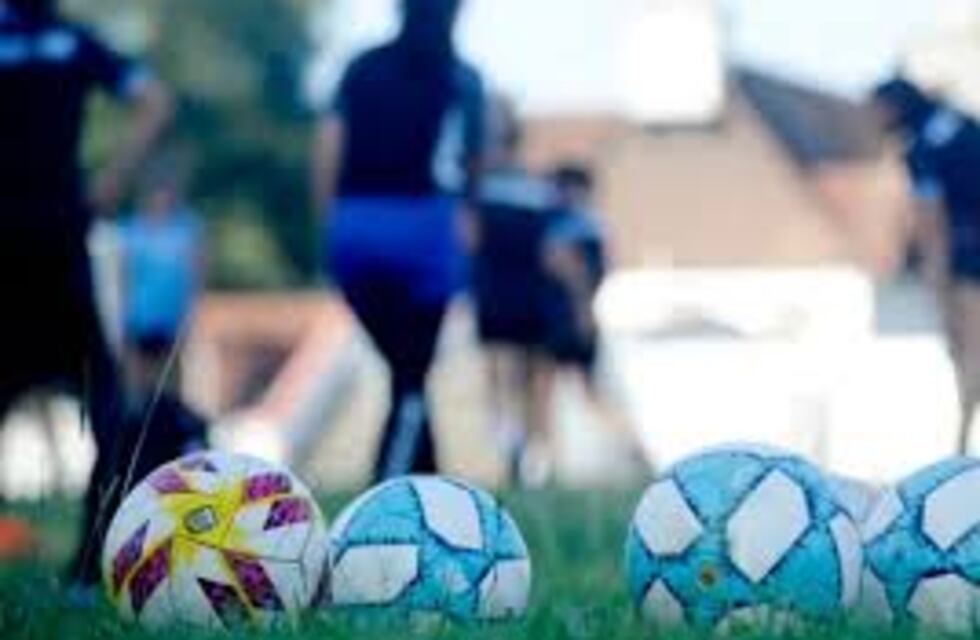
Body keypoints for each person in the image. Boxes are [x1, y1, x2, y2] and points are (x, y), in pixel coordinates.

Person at [0, 0, 170, 590]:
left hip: (34, 240)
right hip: (56, 234)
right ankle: (88, 565)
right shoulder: (73, 42)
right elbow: (154, 100)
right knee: (107, 404)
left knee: (107, 402)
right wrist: (109, 183)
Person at [311, 0, 485, 482]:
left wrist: (330, 221)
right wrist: (466, 219)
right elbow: (472, 161)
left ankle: (425, 483)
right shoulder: (462, 78)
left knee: (404, 370)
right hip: (425, 230)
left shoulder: (362, 67)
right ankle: (392, 485)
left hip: (357, 227)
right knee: (411, 374)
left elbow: (329, 144)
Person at [871, 78, 980, 453]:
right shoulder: (961, 123)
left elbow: (930, 217)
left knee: (968, 349)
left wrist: (937, 278)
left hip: (970, 259)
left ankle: (961, 449)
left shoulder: (924, 148)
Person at [469, 95, 556, 485]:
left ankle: (532, 457)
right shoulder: (478, 185)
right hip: (496, 290)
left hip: (525, 290)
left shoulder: (528, 185)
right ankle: (512, 451)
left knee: (528, 378)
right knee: (502, 374)